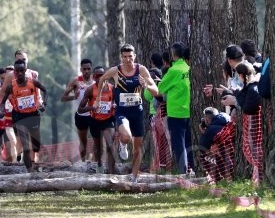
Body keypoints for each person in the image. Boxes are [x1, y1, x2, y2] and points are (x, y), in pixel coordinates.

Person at [95, 44, 158, 178]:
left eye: (130, 56)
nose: (128, 60)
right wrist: (98, 99)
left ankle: (134, 178)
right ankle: (123, 145)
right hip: (122, 111)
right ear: (121, 57)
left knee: (137, 148)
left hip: (137, 112)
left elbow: (155, 90)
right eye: (125, 57)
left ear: (134, 56)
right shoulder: (115, 71)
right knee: (126, 136)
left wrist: (145, 85)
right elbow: (102, 79)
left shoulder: (141, 70)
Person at [0, 60, 48, 171]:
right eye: (17, 71)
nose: (20, 73)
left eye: (22, 70)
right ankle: (29, 172)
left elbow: (45, 90)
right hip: (19, 117)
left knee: (36, 146)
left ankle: (33, 161)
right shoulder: (11, 86)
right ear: (14, 72)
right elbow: (2, 102)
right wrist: (1, 111)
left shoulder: (33, 82)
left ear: (25, 70)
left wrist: (44, 103)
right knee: (26, 147)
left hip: (33, 115)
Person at [156, 42, 193, 174]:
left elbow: (160, 89)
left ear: (173, 55)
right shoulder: (188, 68)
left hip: (176, 112)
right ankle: (193, 169)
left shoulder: (173, 70)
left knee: (179, 144)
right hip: (189, 110)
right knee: (189, 142)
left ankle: (183, 172)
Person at [78, 65, 117, 173]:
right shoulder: (90, 90)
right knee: (98, 147)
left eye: (102, 75)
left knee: (110, 145)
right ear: (94, 77)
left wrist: (115, 105)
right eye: (97, 76)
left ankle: (111, 173)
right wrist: (92, 107)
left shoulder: (112, 89)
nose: (100, 78)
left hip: (108, 120)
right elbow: (80, 109)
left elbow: (118, 102)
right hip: (95, 121)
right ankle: (99, 164)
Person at [61, 58, 94, 161]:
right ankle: (83, 163)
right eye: (84, 69)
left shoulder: (96, 80)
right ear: (81, 69)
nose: (86, 71)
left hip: (94, 115)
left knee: (98, 141)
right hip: (81, 116)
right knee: (83, 142)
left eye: (88, 69)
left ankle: (97, 164)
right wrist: (74, 97)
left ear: (91, 69)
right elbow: (63, 98)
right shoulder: (76, 81)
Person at [197, 107, 234, 182]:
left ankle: (218, 179)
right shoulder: (226, 121)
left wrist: (204, 132)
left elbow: (202, 147)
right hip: (232, 156)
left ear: (207, 119)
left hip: (223, 160)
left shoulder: (211, 129)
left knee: (204, 157)